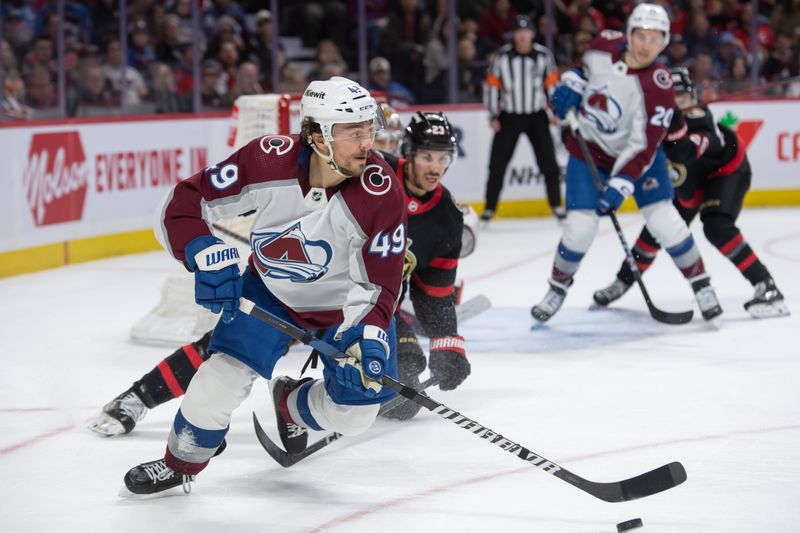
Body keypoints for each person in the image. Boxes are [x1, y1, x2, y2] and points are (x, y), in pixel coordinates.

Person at [89, 111, 474, 437]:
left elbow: (433, 291)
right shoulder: (362, 168)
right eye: (426, 155)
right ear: (407, 152)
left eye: (443, 158)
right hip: (291, 286)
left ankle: (294, 406)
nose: (435, 167)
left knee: (401, 382)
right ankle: (139, 396)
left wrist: (447, 341)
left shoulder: (446, 218)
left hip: (360, 306)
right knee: (228, 350)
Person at [122, 76, 406, 495]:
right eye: (354, 132)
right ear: (316, 135)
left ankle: (291, 405)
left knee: (357, 414)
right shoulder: (267, 161)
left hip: (345, 310)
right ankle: (180, 463)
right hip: (269, 295)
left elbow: (379, 286)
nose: (368, 143)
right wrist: (201, 251)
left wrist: (367, 340)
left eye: (369, 130)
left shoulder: (381, 193)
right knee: (214, 384)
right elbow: (186, 201)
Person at [531, 3, 723, 323]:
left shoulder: (660, 85)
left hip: (638, 158)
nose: (646, 44)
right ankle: (557, 287)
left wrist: (621, 183)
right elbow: (585, 69)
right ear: (629, 33)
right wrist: (573, 83)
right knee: (579, 229)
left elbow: (645, 144)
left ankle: (701, 285)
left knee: (665, 221)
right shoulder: (604, 43)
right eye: (641, 35)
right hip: (588, 150)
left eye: (655, 38)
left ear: (664, 41)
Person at [593, 68, 789, 319]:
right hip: (689, 183)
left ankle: (768, 288)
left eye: (682, 98)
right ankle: (622, 282)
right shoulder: (654, 121)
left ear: (694, 98)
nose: (677, 103)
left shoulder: (700, 120)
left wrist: (672, 120)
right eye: (670, 98)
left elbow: (683, 153)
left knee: (717, 226)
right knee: (658, 228)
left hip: (726, 173)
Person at [482, 14, 563, 223]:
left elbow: (551, 86)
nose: (523, 36)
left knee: (549, 163)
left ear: (532, 34)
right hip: (509, 116)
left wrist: (555, 111)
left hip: (537, 115)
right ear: (514, 35)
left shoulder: (544, 56)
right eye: (519, 32)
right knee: (497, 164)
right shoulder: (502, 58)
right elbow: (492, 86)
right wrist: (493, 114)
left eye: (526, 31)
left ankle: (556, 205)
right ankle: (489, 208)